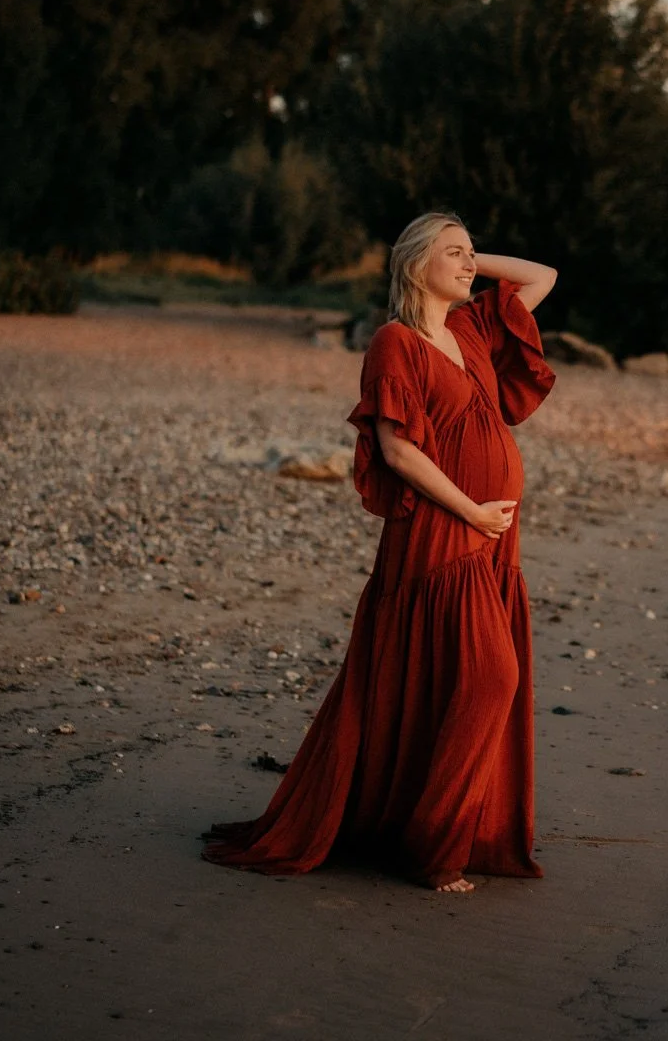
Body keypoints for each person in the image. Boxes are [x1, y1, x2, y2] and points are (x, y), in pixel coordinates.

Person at [203, 212, 558, 893]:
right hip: (443, 530)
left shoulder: (471, 329)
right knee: (491, 679)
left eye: (470, 253)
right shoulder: (396, 342)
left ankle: (420, 825)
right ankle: (433, 845)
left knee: (449, 682)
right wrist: (470, 509)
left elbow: (544, 276)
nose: (467, 262)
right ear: (413, 264)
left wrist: (470, 262)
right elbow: (397, 449)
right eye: (451, 253)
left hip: (491, 536)